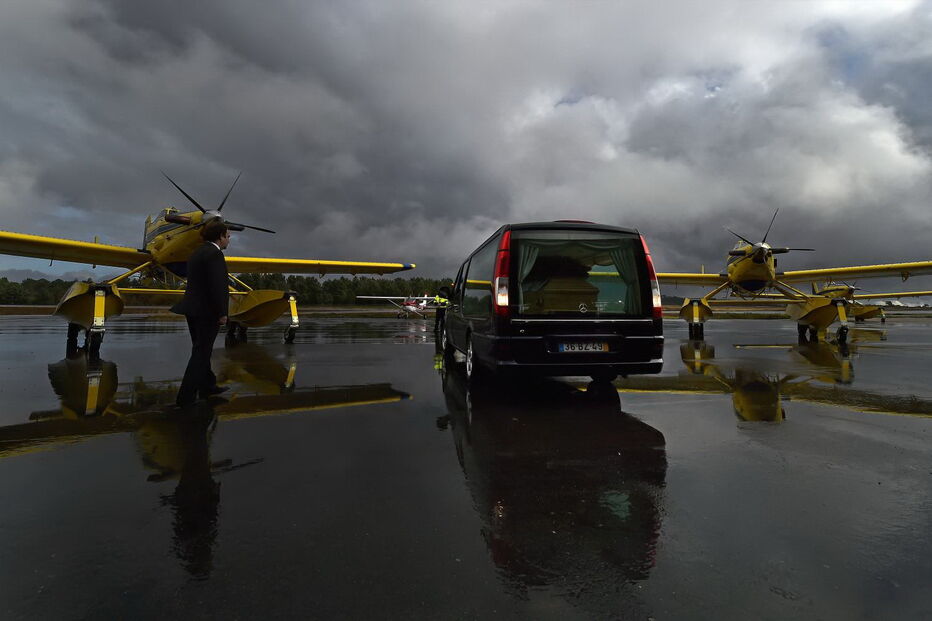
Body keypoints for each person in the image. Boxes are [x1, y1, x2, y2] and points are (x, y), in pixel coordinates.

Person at [173, 218, 230, 407]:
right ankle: (185, 398)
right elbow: (218, 286)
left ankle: (207, 385)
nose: (229, 240)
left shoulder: (197, 252)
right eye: (227, 236)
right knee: (201, 353)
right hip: (207, 311)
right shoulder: (215, 254)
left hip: (192, 309)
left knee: (201, 349)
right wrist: (222, 312)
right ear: (220, 237)